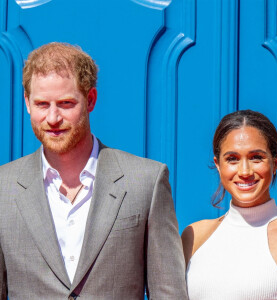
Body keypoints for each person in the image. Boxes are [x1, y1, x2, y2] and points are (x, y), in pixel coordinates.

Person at [0, 42, 188, 299]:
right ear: (27, 103)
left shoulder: (146, 181)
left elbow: (169, 293)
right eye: (42, 104)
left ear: (90, 100)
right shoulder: (3, 188)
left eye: (66, 103)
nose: (53, 118)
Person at [182, 110, 277, 299]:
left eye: (256, 157)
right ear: (218, 165)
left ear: (276, 162)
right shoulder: (194, 236)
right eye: (232, 159)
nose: (245, 171)